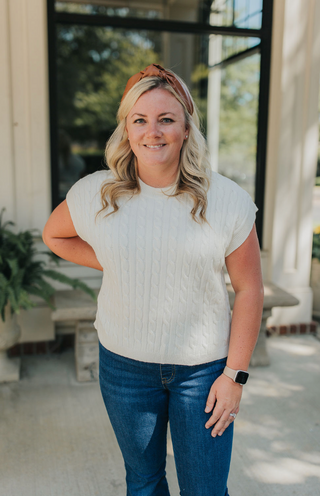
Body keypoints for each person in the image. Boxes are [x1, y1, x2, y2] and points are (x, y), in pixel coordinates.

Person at [43, 64, 264, 496]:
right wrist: (116, 261)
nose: (153, 131)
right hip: (124, 368)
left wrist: (234, 376)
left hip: (203, 373)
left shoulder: (227, 200)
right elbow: (55, 235)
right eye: (140, 120)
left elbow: (250, 288)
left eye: (166, 119)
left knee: (205, 489)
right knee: (143, 482)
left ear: (186, 128)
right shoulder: (96, 192)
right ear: (126, 129)